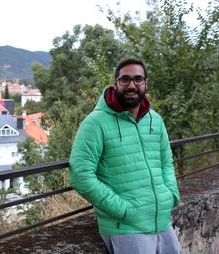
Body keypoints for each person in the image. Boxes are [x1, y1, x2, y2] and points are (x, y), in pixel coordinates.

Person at [69, 59, 181, 254]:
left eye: (138, 79)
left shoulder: (155, 119)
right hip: (126, 229)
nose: (132, 85)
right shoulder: (95, 123)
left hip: (162, 222)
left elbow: (166, 162)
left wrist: (169, 195)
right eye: (125, 79)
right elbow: (80, 175)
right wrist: (123, 210)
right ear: (116, 83)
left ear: (146, 83)